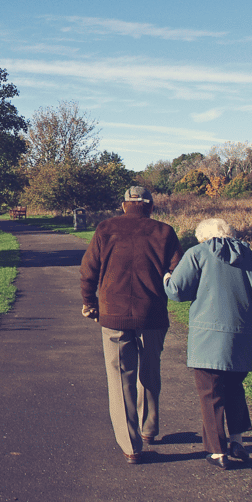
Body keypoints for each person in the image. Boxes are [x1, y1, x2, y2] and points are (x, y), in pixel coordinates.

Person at [164, 218, 252, 469]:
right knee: (234, 387)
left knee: (211, 393)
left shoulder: (197, 254)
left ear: (203, 237)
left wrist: (166, 278)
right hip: (243, 338)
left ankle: (217, 451)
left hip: (207, 339)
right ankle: (237, 441)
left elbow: (177, 291)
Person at [80, 186, 183, 464]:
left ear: (124, 205)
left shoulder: (105, 229)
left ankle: (130, 446)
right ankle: (149, 428)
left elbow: (88, 270)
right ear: (151, 206)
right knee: (150, 371)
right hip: (152, 314)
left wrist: (89, 302)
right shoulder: (165, 232)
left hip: (113, 314)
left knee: (120, 378)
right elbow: (178, 272)